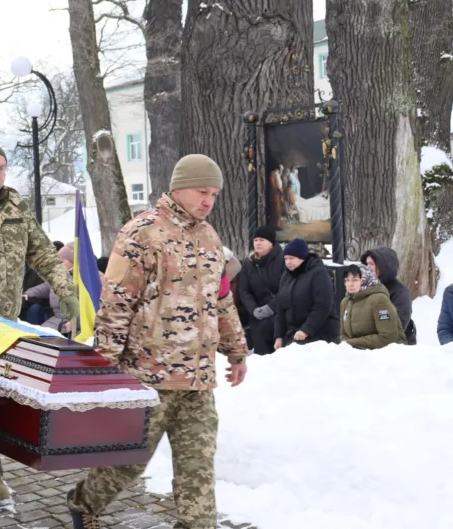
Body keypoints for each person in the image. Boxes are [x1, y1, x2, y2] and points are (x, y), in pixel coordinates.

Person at [67, 154, 248, 529]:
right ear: (179, 187)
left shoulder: (210, 238)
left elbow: (222, 299)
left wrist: (236, 351)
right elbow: (116, 303)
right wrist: (105, 368)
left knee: (198, 474)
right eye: (202, 191)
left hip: (197, 384)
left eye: (213, 194)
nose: (208, 201)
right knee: (126, 464)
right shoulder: (142, 233)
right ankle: (83, 500)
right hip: (147, 379)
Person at [0, 141, 78, 506]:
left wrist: (65, 289)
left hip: (5, 323)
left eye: (2, 168)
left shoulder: (16, 205)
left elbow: (41, 251)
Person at [273, 238, 339, 349]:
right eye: (286, 258)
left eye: (291, 258)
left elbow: (323, 306)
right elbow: (281, 308)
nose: (288, 262)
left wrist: (306, 330)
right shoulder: (286, 276)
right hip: (293, 334)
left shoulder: (318, 273)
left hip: (319, 335)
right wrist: (279, 336)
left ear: (302, 257)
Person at [238, 226, 285, 355]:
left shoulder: (282, 260)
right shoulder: (249, 263)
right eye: (256, 240)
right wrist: (253, 310)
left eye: (262, 240)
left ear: (271, 243)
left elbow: (286, 289)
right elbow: (244, 290)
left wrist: (270, 308)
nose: (257, 243)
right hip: (257, 314)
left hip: (278, 313)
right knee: (261, 355)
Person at [339, 264, 405, 349]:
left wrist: (351, 343)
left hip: (388, 355)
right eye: (347, 280)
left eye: (355, 280)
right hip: (358, 353)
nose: (350, 284)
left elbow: (388, 338)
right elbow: (343, 335)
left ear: (365, 280)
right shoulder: (345, 302)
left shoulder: (379, 300)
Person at [361, 247, 416, 345]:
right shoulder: (363, 288)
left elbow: (397, 326)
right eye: (366, 264)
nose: (367, 268)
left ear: (383, 267)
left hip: (395, 348)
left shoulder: (400, 292)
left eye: (371, 264)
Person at [22, 244, 75, 329]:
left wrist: (76, 323)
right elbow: (45, 287)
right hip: (57, 319)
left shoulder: (82, 281)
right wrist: (28, 294)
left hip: (72, 324)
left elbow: (91, 308)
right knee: (36, 336)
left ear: (73, 262)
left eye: (64, 260)